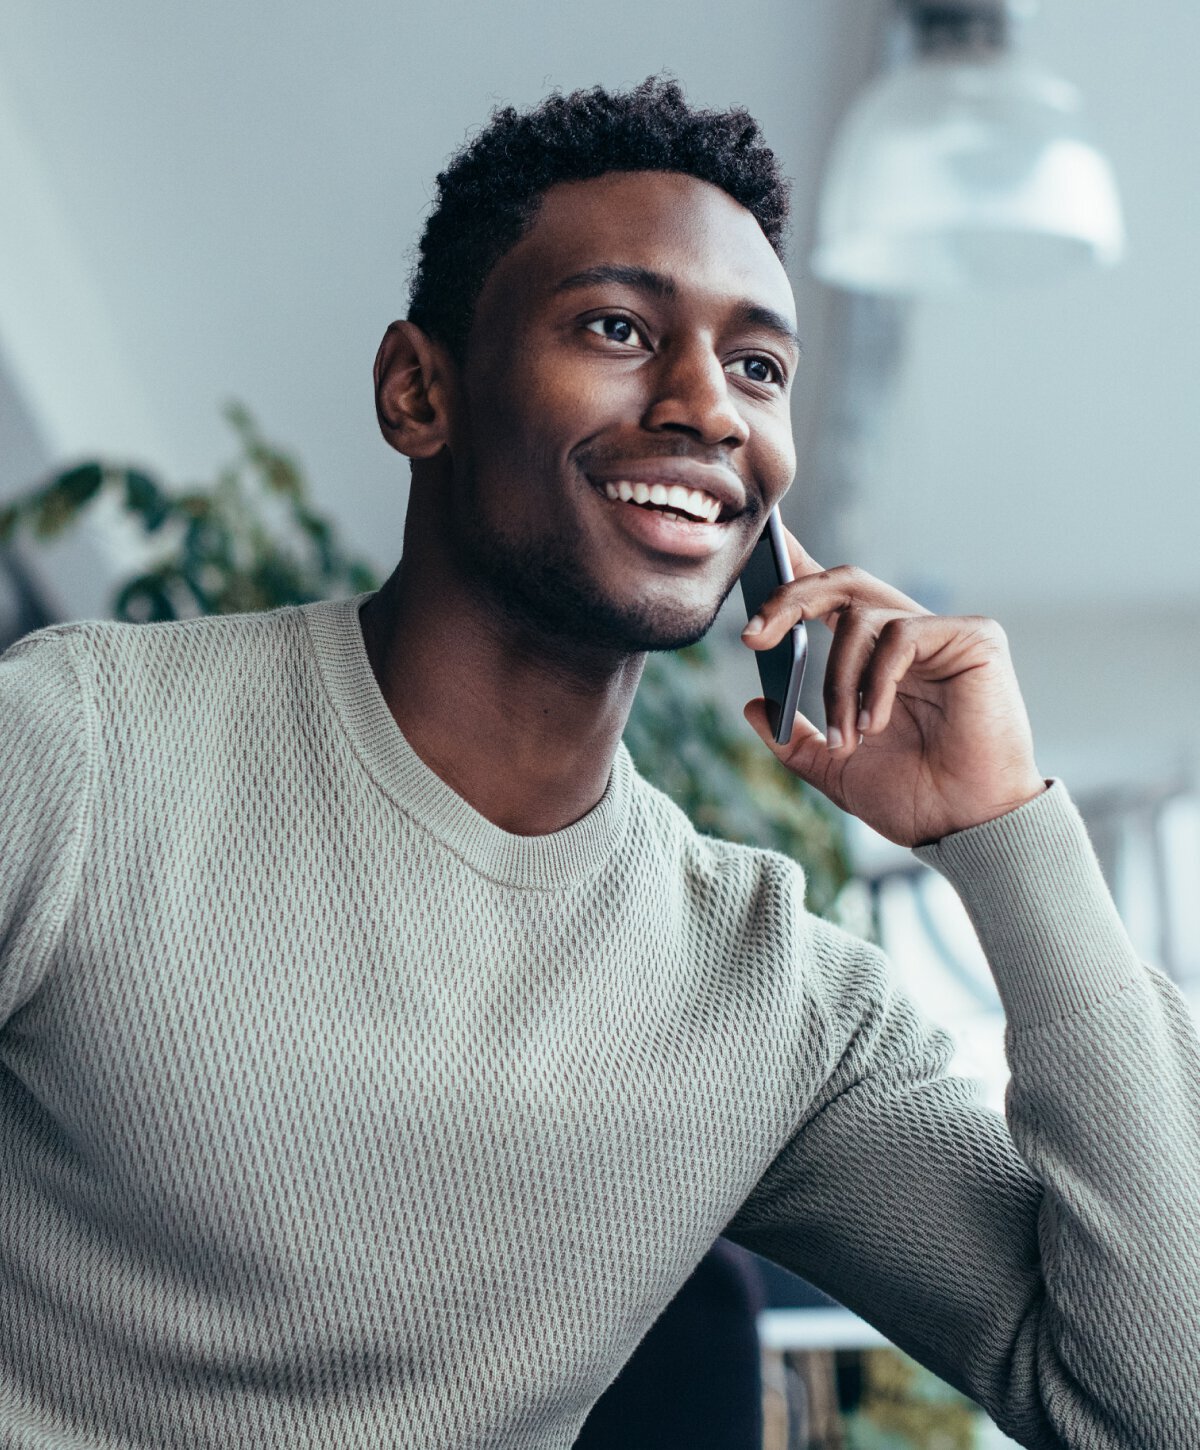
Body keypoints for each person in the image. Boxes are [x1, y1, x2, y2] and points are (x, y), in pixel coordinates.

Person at [0, 75, 1197, 1450]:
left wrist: (1006, 832)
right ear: (418, 390)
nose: (707, 407)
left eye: (759, 367)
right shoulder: (78, 751)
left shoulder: (773, 995)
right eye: (619, 328)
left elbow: (1160, 1400)